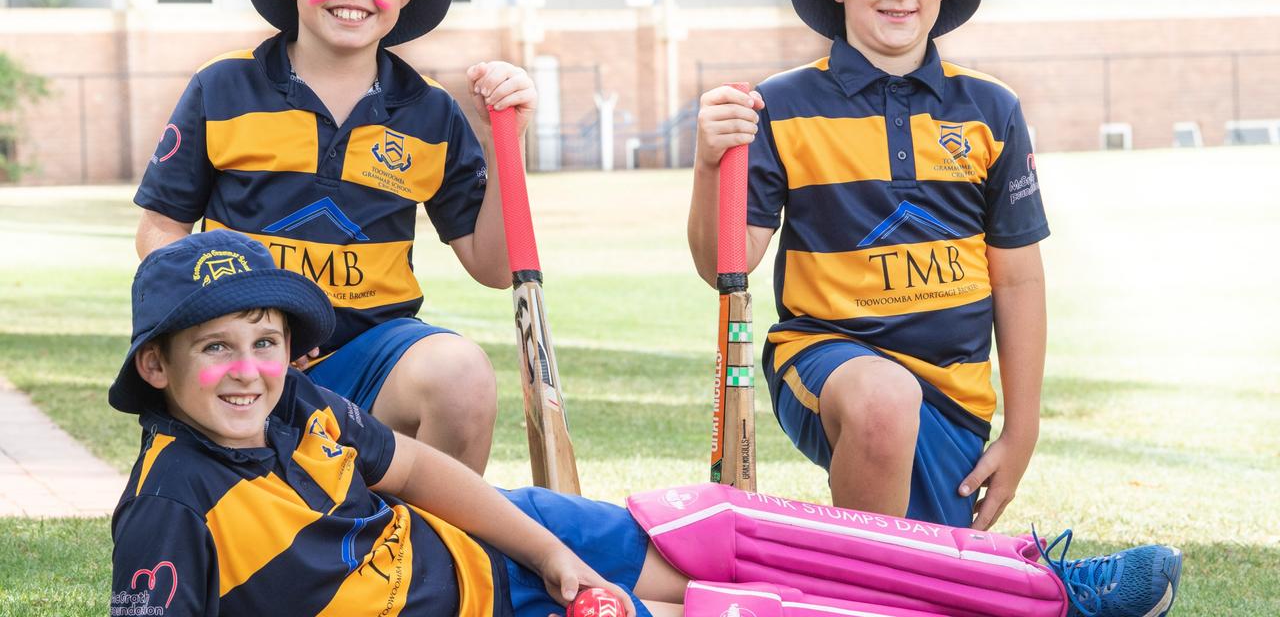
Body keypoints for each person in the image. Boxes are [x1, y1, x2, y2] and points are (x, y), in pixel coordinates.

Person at [109, 231, 1181, 617]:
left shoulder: (303, 406)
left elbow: (430, 481)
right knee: (737, 608)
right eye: (215, 348)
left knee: (725, 531)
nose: (249, 369)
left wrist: (555, 556)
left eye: (263, 339)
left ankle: (1042, 584)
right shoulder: (167, 508)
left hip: (494, 552)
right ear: (157, 366)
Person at [131, 0, 531, 473]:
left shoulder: (431, 113)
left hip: (371, 359)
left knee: (461, 374)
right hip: (245, 355)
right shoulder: (223, 87)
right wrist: (222, 325)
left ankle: (429, 555)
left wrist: (507, 143)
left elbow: (494, 268)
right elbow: (161, 229)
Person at [688, 0, 1047, 530]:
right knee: (885, 400)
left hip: (954, 398)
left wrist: (1020, 436)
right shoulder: (781, 105)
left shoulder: (993, 110)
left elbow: (1017, 280)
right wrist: (708, 163)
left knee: (936, 567)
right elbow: (726, 266)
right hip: (825, 359)